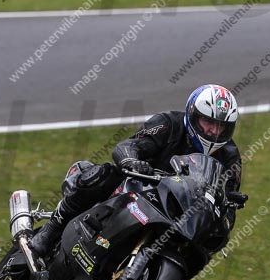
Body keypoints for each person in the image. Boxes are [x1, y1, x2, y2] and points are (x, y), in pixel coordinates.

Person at [30, 84, 245, 260]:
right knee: (99, 175)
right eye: (208, 121)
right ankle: (52, 229)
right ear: (192, 114)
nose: (214, 131)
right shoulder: (169, 124)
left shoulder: (229, 156)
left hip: (177, 212)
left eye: (221, 126)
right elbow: (128, 146)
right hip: (139, 185)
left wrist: (226, 209)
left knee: (203, 247)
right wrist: (132, 161)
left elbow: (228, 198)